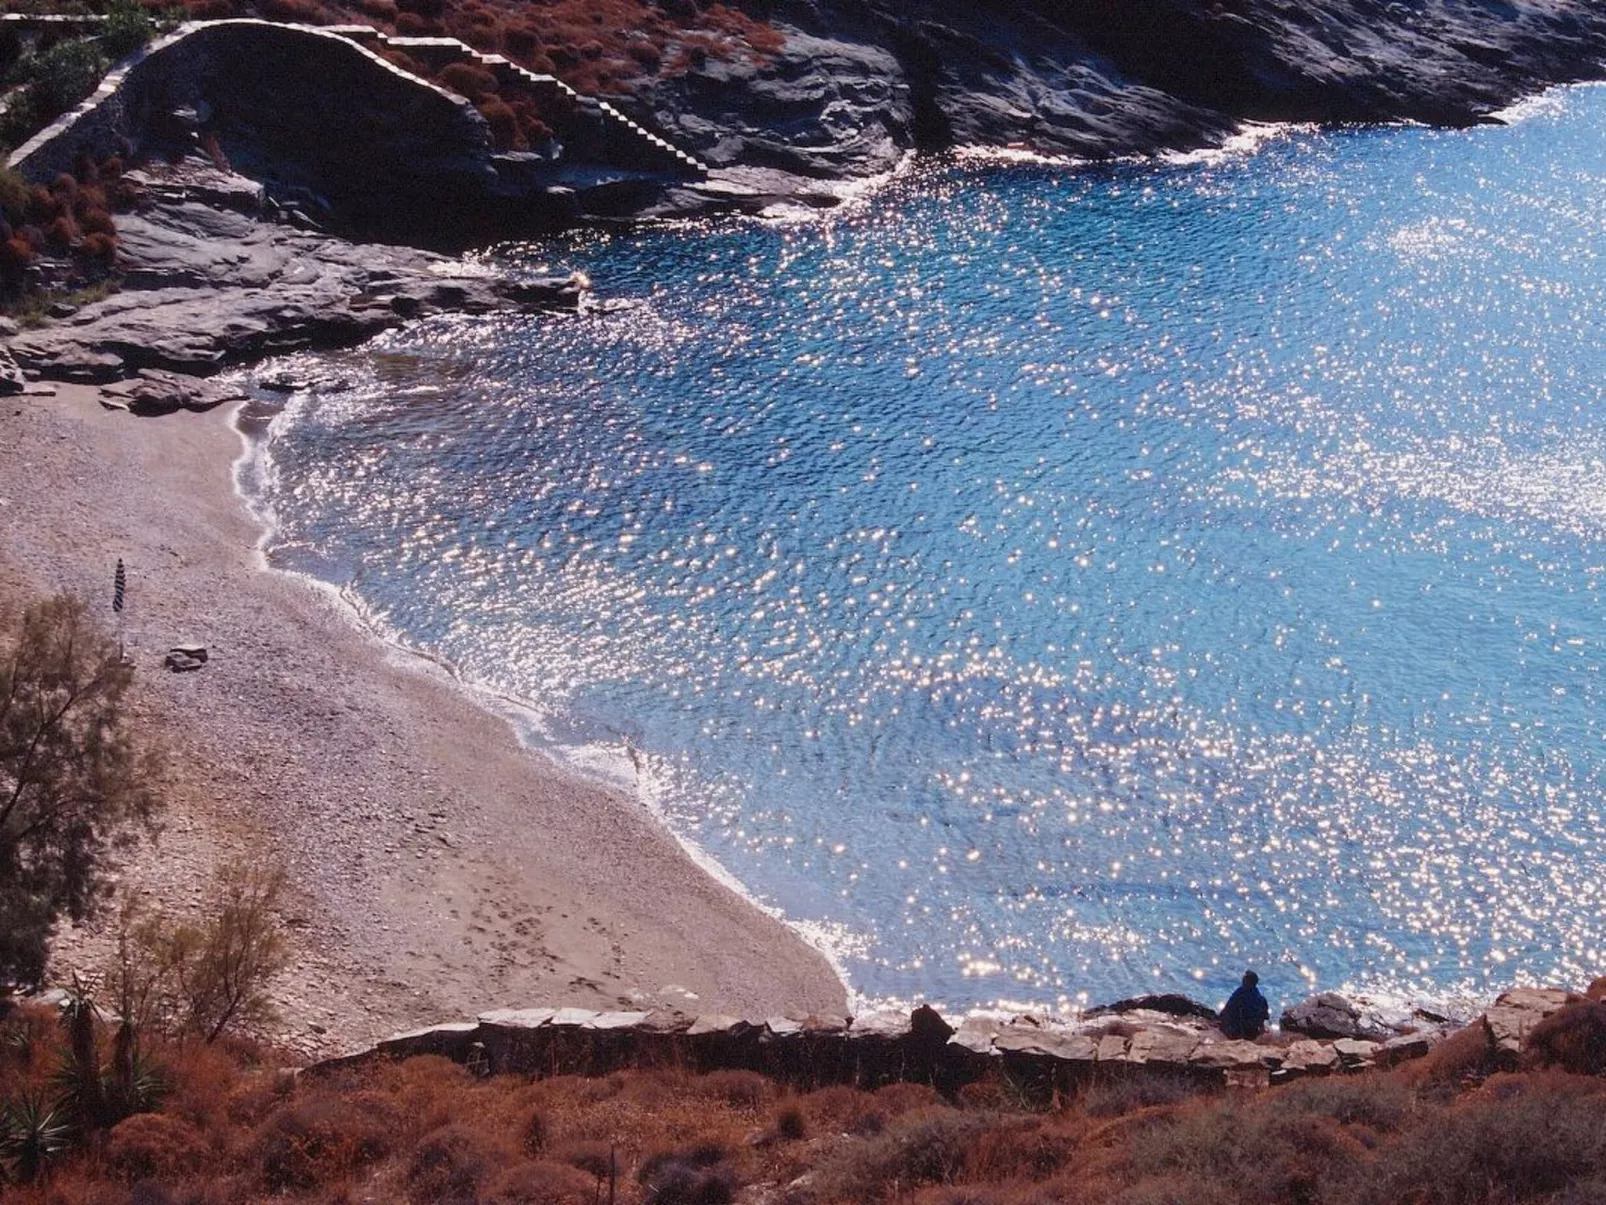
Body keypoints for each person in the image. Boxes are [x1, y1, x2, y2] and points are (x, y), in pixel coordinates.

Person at [1219, 970, 1270, 1039]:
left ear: (1246, 981)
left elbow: (1228, 1009)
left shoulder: (1240, 993)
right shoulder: (1260, 998)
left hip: (1239, 1029)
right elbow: (1262, 1018)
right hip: (1253, 1031)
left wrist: (1220, 1019)